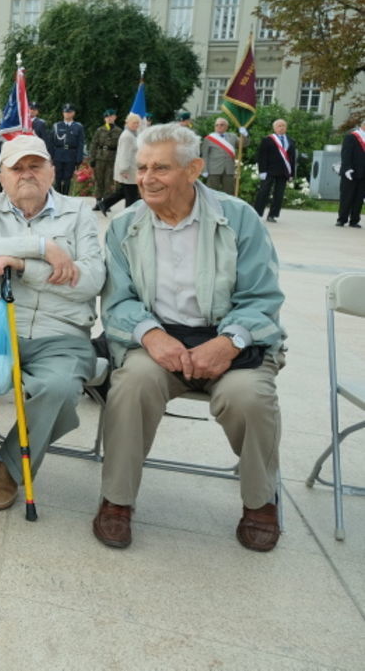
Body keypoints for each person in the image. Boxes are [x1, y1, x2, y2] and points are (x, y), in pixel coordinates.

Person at [94, 123, 286, 552]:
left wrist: (229, 341)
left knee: (249, 397)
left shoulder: (237, 219)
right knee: (132, 384)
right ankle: (117, 500)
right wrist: (151, 336)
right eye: (142, 168)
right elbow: (118, 302)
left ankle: (260, 502)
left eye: (160, 167)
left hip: (234, 342)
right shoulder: (125, 226)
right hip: (158, 342)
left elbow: (263, 297)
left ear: (194, 169)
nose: (146, 178)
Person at [0, 134, 104, 512]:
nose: (26, 175)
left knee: (59, 389)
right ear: (2, 175)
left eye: (35, 166)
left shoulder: (78, 213)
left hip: (60, 331)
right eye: (17, 168)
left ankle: (10, 467)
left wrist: (21, 265)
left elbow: (90, 281)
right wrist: (43, 248)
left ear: (52, 171)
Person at [95, 112, 142, 214]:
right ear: (128, 123)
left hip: (131, 168)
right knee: (131, 195)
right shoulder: (127, 136)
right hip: (128, 170)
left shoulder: (133, 134)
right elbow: (124, 154)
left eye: (138, 123)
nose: (136, 125)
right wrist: (124, 170)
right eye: (134, 123)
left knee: (124, 192)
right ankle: (129, 214)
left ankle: (105, 204)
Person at [254, 118, 297, 223]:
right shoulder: (267, 140)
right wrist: (262, 171)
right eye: (279, 126)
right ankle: (257, 213)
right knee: (264, 192)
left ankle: (273, 215)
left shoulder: (291, 140)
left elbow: (292, 158)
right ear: (274, 128)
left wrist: (291, 173)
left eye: (283, 126)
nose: (282, 128)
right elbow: (262, 156)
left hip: (283, 172)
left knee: (279, 194)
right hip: (269, 171)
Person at [51, 103, 85, 195]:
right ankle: (57, 197)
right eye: (65, 112)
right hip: (58, 154)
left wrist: (79, 159)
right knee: (57, 177)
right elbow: (52, 143)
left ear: (73, 113)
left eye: (69, 112)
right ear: (63, 113)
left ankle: (65, 197)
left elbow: (80, 143)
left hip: (71, 154)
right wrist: (51, 157)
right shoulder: (57, 126)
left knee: (67, 178)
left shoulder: (78, 127)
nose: (67, 114)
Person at [336, 118, 365, 228]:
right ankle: (342, 219)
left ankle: (354, 220)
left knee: (359, 198)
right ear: (363, 126)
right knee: (346, 197)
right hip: (350, 172)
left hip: (363, 174)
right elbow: (346, 154)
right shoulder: (352, 137)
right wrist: (347, 168)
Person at [200, 117, 239, 193]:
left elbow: (244, 144)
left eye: (221, 125)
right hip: (213, 169)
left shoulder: (233, 137)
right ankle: (211, 205)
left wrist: (245, 134)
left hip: (229, 169)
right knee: (211, 192)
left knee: (229, 192)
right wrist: (204, 170)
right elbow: (205, 155)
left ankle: (226, 205)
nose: (219, 127)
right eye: (216, 125)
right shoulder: (209, 138)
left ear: (226, 127)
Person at [89, 109, 121, 199]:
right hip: (100, 158)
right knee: (99, 180)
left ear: (115, 117)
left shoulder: (119, 131)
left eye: (111, 116)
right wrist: (92, 159)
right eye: (107, 117)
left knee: (108, 181)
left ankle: (106, 202)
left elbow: (120, 147)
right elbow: (94, 144)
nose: (109, 119)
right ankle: (98, 201)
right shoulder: (100, 130)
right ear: (104, 119)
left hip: (112, 159)